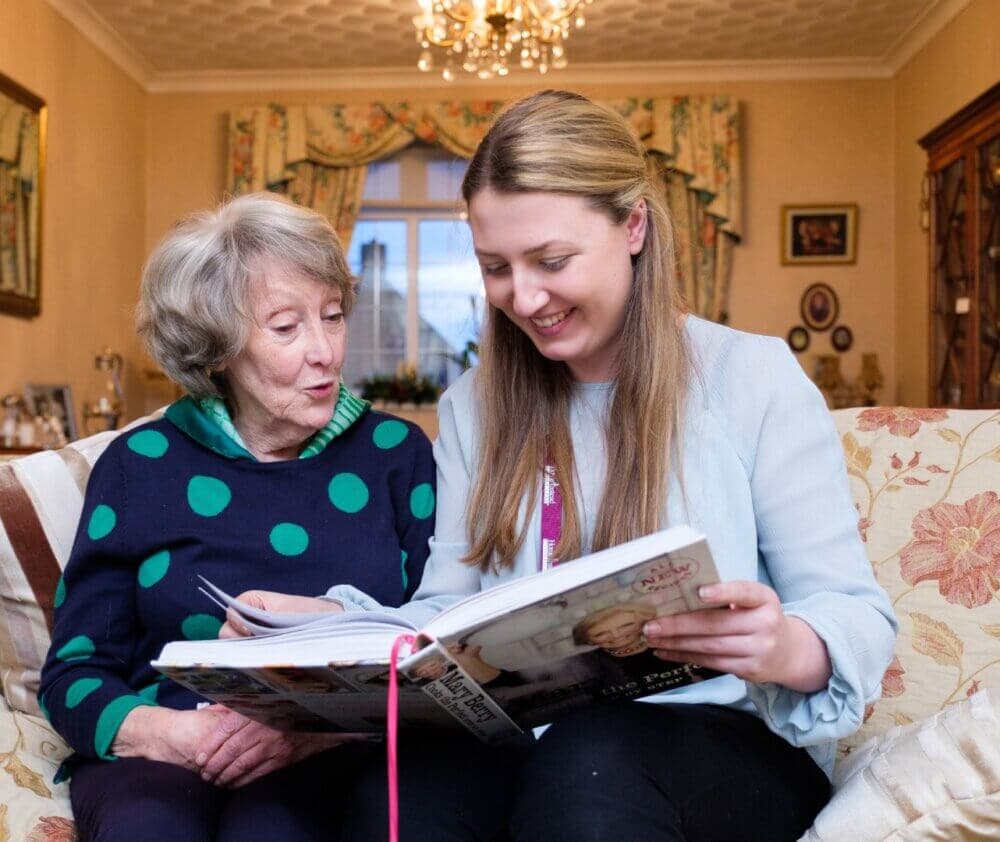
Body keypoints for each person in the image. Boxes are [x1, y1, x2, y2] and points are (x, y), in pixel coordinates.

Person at [241, 90, 898, 841]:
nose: (523, 297)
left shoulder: (750, 378)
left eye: (551, 260)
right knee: (400, 786)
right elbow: (444, 615)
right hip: (538, 744)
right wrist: (330, 625)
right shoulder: (473, 408)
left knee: (594, 756)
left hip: (730, 750)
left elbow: (856, 611)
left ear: (634, 226)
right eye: (495, 267)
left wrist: (785, 645)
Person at [38, 193, 437, 842]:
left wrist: (309, 731)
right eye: (286, 328)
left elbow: (436, 650)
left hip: (339, 750)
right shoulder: (140, 464)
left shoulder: (396, 455)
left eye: (333, 317)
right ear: (217, 349)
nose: (326, 352)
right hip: (168, 741)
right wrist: (178, 734)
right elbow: (75, 670)